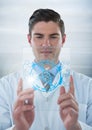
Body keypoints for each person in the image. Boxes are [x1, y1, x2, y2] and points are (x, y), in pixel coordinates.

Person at [0, 8, 92, 130]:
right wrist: (18, 128)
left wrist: (76, 127)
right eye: (39, 37)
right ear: (29, 40)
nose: (46, 44)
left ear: (63, 40)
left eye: (53, 37)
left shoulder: (88, 86)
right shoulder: (5, 86)